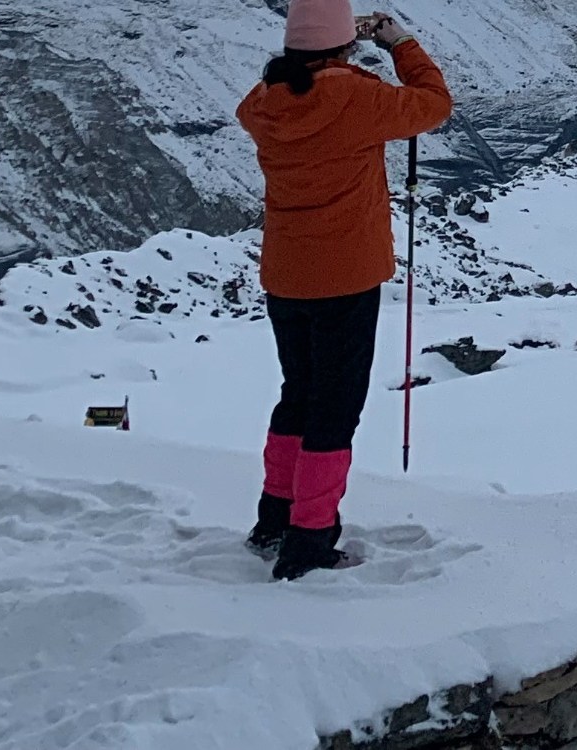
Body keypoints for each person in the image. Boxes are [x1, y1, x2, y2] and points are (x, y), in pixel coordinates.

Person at [236, 0, 451, 580]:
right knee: (335, 408)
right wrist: (400, 43)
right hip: (347, 276)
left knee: (298, 394)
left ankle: (273, 519)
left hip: (286, 273)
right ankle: (310, 540)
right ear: (344, 45)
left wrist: (335, 51)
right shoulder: (357, 98)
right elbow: (434, 104)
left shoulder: (264, 103)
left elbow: (291, 85)